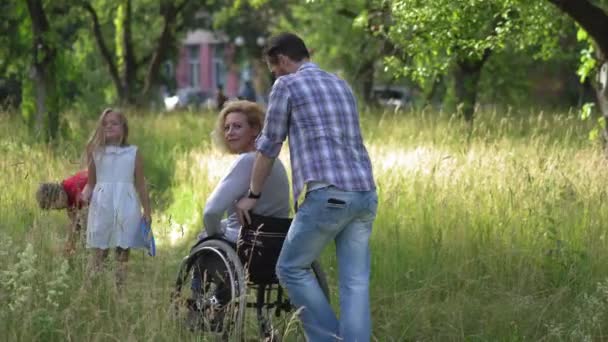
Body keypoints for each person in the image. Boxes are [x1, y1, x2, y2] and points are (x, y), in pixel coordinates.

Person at [236, 33, 378, 342]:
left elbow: (269, 146)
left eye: (273, 67)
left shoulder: (287, 85)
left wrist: (253, 195)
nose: (274, 73)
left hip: (328, 195)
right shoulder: (341, 84)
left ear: (283, 60)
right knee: (355, 282)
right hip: (365, 193)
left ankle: (330, 338)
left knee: (290, 268)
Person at [81, 108, 152, 288]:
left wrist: (147, 210)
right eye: (105, 124)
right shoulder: (95, 151)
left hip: (126, 205)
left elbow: (141, 183)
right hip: (102, 204)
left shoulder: (133, 152)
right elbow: (91, 182)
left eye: (114, 123)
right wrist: (84, 195)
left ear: (123, 127)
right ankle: (92, 291)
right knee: (99, 250)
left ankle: (119, 292)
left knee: (122, 251)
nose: (109, 126)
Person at [201, 100, 290, 243]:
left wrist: (214, 236)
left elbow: (210, 212)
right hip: (275, 241)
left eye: (237, 126)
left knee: (204, 237)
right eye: (226, 128)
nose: (230, 133)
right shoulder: (274, 161)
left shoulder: (246, 160)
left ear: (255, 129)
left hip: (244, 241)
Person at [36, 170, 89, 256]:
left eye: (54, 206)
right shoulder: (66, 188)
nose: (57, 209)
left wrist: (70, 247)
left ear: (60, 195)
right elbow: (74, 222)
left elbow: (80, 224)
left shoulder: (76, 192)